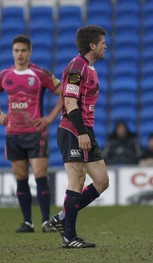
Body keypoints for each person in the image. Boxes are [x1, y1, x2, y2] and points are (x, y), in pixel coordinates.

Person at [0, 35, 63, 233]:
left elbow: (63, 92)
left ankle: (46, 221)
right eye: (16, 51)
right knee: (21, 178)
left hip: (36, 133)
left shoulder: (40, 74)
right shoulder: (5, 75)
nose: (20, 54)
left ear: (29, 52)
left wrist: (50, 117)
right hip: (13, 133)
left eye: (23, 50)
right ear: (12, 52)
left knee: (39, 175)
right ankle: (28, 222)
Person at [48, 25, 110, 248]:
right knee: (77, 181)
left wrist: (87, 132)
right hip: (73, 129)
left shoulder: (90, 69)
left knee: (102, 182)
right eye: (103, 42)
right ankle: (69, 237)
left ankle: (62, 218)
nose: (106, 46)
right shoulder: (77, 66)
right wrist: (82, 132)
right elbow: (70, 102)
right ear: (92, 45)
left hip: (86, 130)